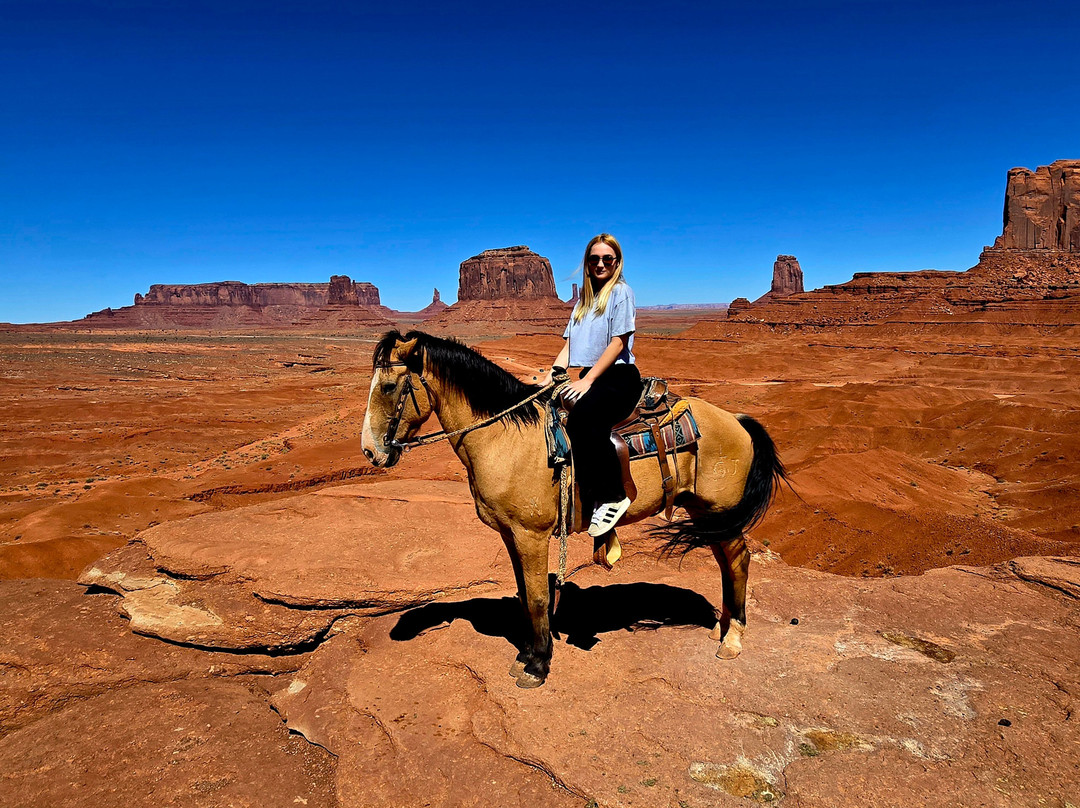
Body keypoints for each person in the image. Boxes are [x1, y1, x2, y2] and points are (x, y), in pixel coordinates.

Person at [548, 233, 642, 537]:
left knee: (584, 419)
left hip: (618, 377)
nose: (600, 264)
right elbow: (568, 347)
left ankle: (613, 496)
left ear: (616, 262)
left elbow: (617, 343)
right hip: (592, 374)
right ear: (587, 264)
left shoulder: (621, 292)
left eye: (607, 259)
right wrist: (552, 374)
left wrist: (588, 381)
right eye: (594, 259)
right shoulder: (581, 304)